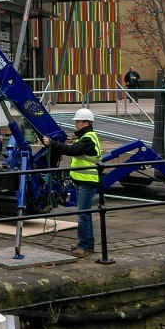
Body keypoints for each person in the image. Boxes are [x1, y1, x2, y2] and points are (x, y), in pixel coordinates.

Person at [41, 108, 102, 257]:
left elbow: (73, 151)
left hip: (87, 182)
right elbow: (76, 147)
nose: (75, 124)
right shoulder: (87, 137)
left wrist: (53, 144)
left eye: (78, 121)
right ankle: (88, 245)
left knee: (83, 215)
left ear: (86, 123)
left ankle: (83, 247)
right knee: (85, 214)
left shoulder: (88, 139)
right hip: (83, 180)